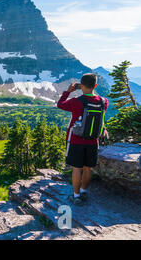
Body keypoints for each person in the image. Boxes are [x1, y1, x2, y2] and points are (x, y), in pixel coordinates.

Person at [57, 73, 108, 206]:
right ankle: (84, 191)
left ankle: (76, 196)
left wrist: (68, 91)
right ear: (95, 85)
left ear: (82, 85)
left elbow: (60, 104)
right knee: (88, 168)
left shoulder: (76, 101)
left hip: (76, 140)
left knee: (76, 169)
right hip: (93, 141)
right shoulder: (103, 102)